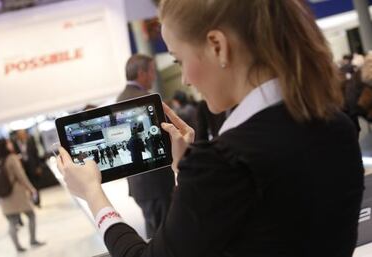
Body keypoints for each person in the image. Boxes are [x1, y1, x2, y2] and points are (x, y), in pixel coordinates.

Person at [57, 1, 364, 256]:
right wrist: (188, 171)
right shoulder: (337, 127)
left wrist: (92, 193)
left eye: (179, 60)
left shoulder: (224, 163)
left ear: (217, 46)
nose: (187, 80)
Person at [117, 54, 175, 238]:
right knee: (165, 233)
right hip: (155, 181)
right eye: (151, 71)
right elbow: (164, 137)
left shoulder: (120, 98)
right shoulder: (146, 99)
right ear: (141, 73)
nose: (154, 76)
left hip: (139, 183)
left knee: (154, 230)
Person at [0, 139, 44, 252]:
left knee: (12, 222)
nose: (11, 144)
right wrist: (31, 188)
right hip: (17, 194)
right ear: (5, 146)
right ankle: (33, 240)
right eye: (8, 143)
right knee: (31, 215)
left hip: (4, 195)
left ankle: (17, 247)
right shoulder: (11, 158)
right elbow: (21, 176)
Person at [13, 129, 42, 207]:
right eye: (20, 134)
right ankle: (31, 200)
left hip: (32, 166)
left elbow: (36, 154)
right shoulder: (15, 143)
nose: (23, 135)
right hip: (22, 167)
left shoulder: (30, 141)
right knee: (27, 185)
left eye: (23, 133)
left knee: (35, 185)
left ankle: (37, 201)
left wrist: (38, 166)